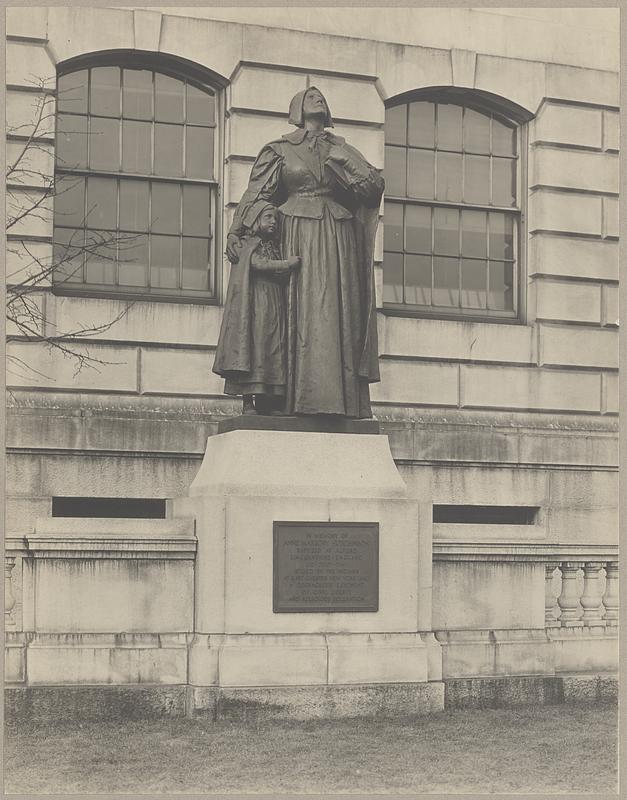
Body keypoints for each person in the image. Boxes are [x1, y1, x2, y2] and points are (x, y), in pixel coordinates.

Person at [224, 86, 384, 419]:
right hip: (294, 234)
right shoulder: (280, 150)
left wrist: (348, 163)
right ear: (297, 107)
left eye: (322, 96)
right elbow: (256, 195)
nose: (318, 97)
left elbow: (371, 190)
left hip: (337, 238)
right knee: (289, 314)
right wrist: (237, 230)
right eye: (310, 96)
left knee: (332, 313)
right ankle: (279, 398)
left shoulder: (342, 148)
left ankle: (337, 401)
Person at [214, 201, 300, 415]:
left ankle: (266, 400)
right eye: (268, 217)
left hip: (273, 302)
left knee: (271, 349)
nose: (273, 222)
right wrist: (286, 264)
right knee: (255, 348)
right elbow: (257, 264)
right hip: (256, 303)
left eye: (275, 219)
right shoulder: (248, 244)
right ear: (255, 220)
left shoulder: (273, 245)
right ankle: (248, 402)